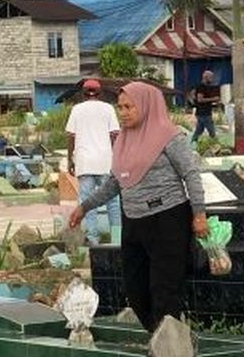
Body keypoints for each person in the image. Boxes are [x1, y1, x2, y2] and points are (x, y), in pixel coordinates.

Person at [68, 82, 209, 333]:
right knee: (135, 290)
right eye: (120, 107)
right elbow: (115, 182)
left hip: (167, 220)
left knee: (164, 290)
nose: (123, 112)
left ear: (146, 106)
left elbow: (191, 173)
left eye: (129, 106)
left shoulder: (170, 135)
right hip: (134, 221)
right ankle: (160, 338)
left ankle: (167, 352)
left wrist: (199, 213)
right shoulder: (124, 140)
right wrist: (84, 207)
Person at [65, 79, 121, 246]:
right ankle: (117, 239)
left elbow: (70, 136)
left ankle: (93, 239)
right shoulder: (108, 108)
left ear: (83, 93)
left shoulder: (77, 109)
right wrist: (117, 158)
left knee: (87, 203)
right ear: (100, 92)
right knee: (112, 202)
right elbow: (114, 135)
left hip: (84, 162)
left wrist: (70, 159)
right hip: (105, 161)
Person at [189, 71, 222, 142]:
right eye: (211, 77)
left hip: (202, 112)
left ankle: (192, 144)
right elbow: (200, 99)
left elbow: (193, 94)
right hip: (204, 113)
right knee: (212, 131)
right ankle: (217, 146)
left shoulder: (205, 87)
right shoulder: (201, 86)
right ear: (206, 77)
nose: (212, 79)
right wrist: (213, 99)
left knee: (198, 131)